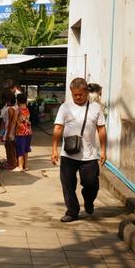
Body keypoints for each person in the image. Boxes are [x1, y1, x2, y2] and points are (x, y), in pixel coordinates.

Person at [51, 77, 107, 223]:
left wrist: (103, 151)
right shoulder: (65, 107)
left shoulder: (96, 108)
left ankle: (88, 200)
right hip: (68, 154)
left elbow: (101, 129)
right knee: (68, 185)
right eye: (74, 94)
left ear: (87, 92)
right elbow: (58, 128)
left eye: (80, 94)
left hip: (89, 156)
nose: (78, 97)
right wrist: (54, 150)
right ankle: (72, 211)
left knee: (91, 183)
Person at [13, 93, 32, 172]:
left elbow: (14, 122)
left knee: (20, 149)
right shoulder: (27, 110)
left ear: (17, 101)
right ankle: (25, 165)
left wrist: (10, 132)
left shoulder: (17, 111)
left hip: (20, 133)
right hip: (28, 132)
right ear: (26, 101)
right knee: (26, 149)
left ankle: (20, 166)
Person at [0, 92, 18, 169]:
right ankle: (9, 161)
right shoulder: (8, 107)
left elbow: (11, 122)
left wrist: (8, 133)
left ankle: (11, 162)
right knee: (7, 145)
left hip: (10, 131)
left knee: (11, 147)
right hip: (7, 130)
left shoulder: (11, 109)